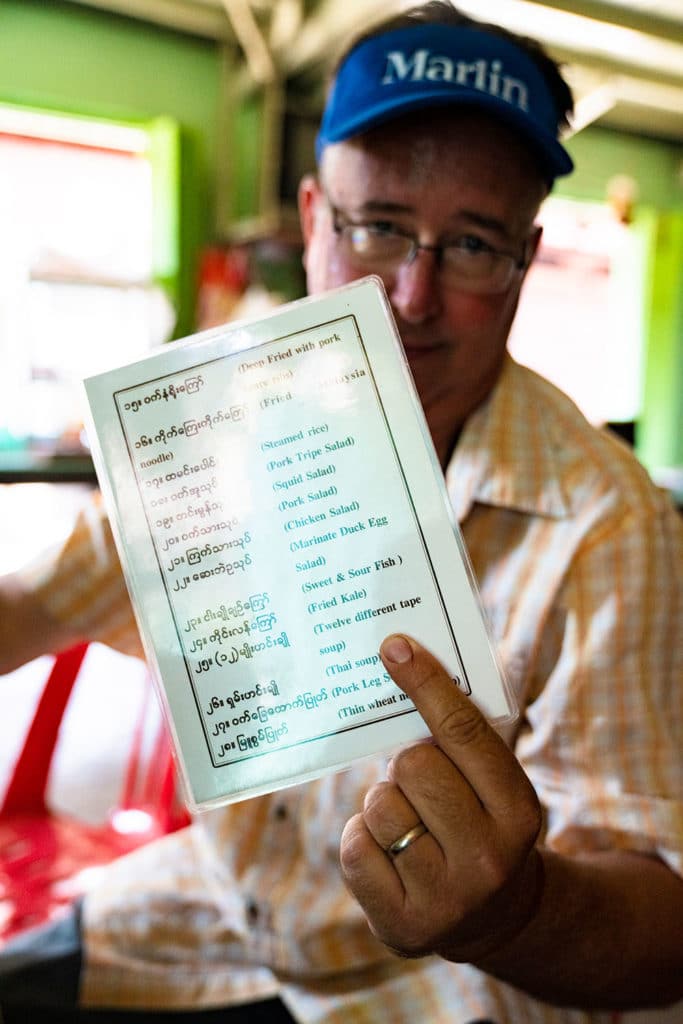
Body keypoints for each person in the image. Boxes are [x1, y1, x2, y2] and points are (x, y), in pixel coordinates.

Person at [1, 2, 682, 1022]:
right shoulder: (217, 429)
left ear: (525, 262)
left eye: (472, 244)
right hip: (212, 914)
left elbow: (659, 923)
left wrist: (512, 912)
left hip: (437, 984)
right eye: (378, 227)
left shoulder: (605, 525)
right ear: (315, 221)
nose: (410, 296)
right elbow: (41, 598)